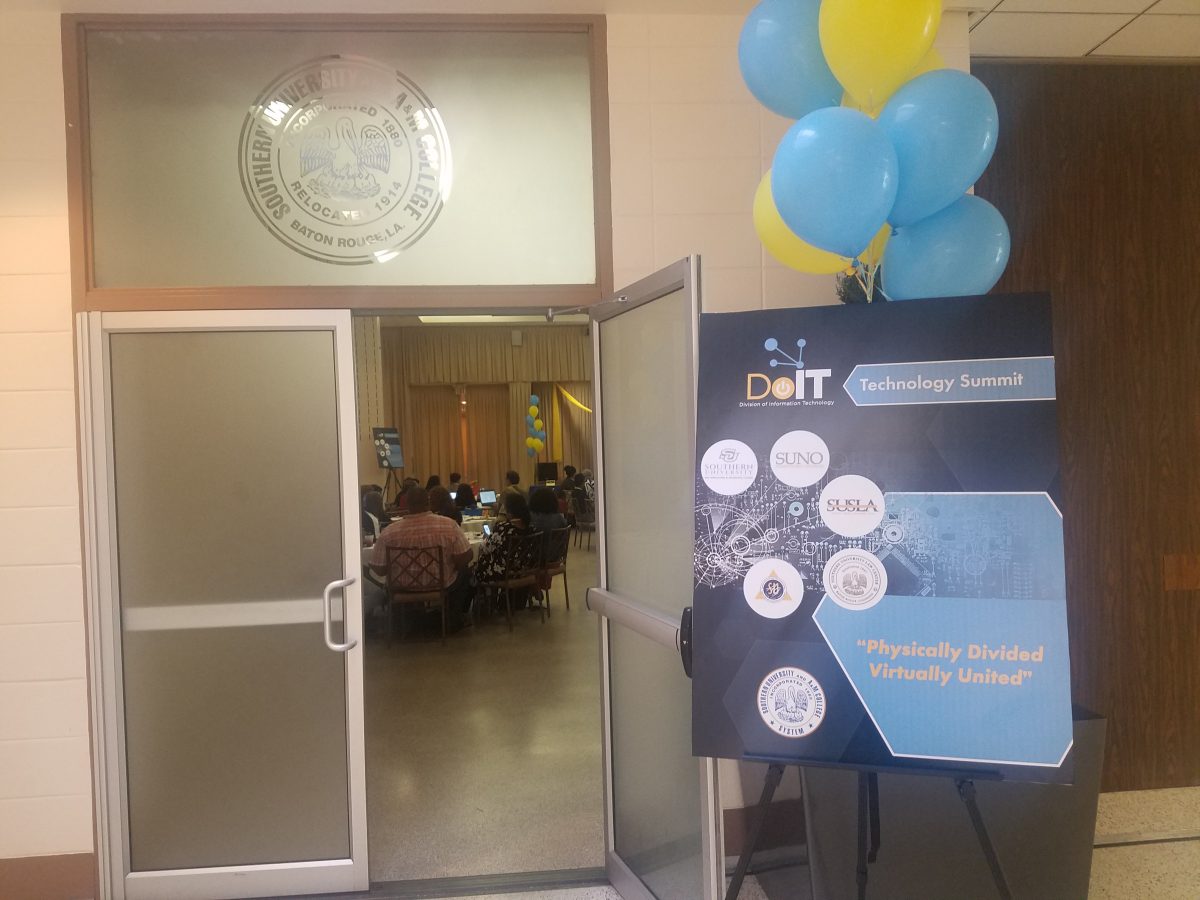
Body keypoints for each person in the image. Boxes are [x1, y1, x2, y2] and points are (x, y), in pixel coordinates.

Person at [370, 486, 474, 629]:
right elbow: (467, 555)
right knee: (466, 573)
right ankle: (453, 618)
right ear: (428, 502)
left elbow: (379, 569)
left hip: (402, 588)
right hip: (441, 584)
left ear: (406, 504)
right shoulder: (448, 525)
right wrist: (451, 565)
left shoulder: (389, 532)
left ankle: (405, 620)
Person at [475, 492, 538, 585]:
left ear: (509, 511)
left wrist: (486, 539)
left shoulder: (503, 528)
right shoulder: (532, 528)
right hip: (526, 568)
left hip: (504, 573)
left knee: (477, 566)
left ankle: (484, 597)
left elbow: (485, 548)